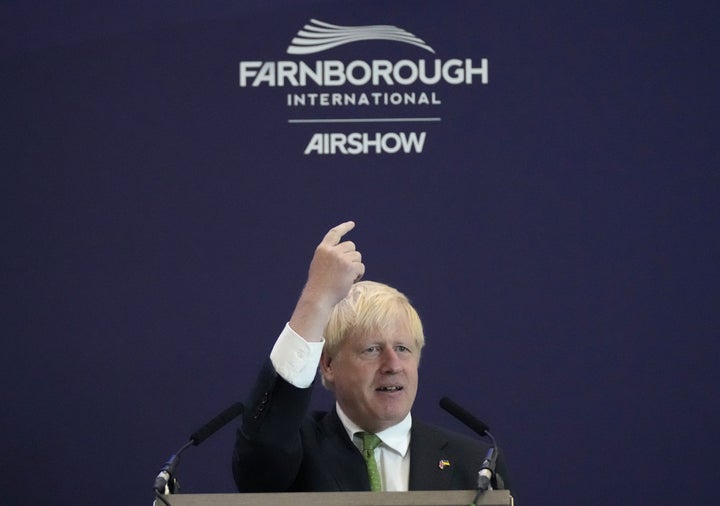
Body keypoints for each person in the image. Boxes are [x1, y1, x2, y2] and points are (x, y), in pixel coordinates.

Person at [233, 221, 510, 492]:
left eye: (403, 348)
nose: (393, 365)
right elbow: (260, 461)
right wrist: (316, 298)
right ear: (328, 364)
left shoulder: (476, 465)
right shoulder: (299, 451)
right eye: (372, 350)